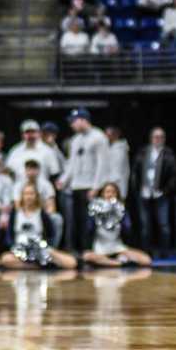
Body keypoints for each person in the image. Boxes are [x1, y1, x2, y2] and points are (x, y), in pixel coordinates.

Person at [57, 108, 108, 252]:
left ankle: (91, 250)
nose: (71, 125)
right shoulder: (75, 140)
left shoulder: (99, 137)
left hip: (91, 187)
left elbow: (102, 164)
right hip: (76, 186)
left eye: (73, 121)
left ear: (83, 120)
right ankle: (78, 251)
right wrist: (63, 179)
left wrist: (96, 187)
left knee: (90, 223)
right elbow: (71, 163)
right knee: (77, 222)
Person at [1, 184, 77, 270]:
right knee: (5, 259)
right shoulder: (15, 213)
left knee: (71, 263)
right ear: (22, 196)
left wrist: (46, 247)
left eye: (31, 194)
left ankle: (40, 262)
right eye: (26, 194)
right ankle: (38, 266)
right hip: (21, 251)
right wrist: (13, 247)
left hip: (39, 249)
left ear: (36, 196)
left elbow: (51, 234)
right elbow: (9, 235)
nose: (29, 197)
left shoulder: (41, 213)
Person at [82, 182, 152, 267]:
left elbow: (128, 231)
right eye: (107, 192)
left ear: (117, 194)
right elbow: (88, 230)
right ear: (102, 194)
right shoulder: (94, 209)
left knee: (146, 260)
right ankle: (118, 263)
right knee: (87, 256)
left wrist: (121, 216)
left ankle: (112, 262)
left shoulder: (121, 209)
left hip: (117, 248)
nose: (110, 194)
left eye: (113, 192)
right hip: (100, 250)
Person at [132, 127, 176, 253]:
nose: (158, 139)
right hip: (144, 193)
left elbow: (174, 176)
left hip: (161, 193)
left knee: (164, 225)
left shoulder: (168, 154)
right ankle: (146, 251)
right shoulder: (143, 152)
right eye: (155, 137)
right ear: (151, 138)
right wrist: (138, 189)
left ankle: (164, 252)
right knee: (145, 225)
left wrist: (165, 190)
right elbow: (135, 171)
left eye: (161, 137)